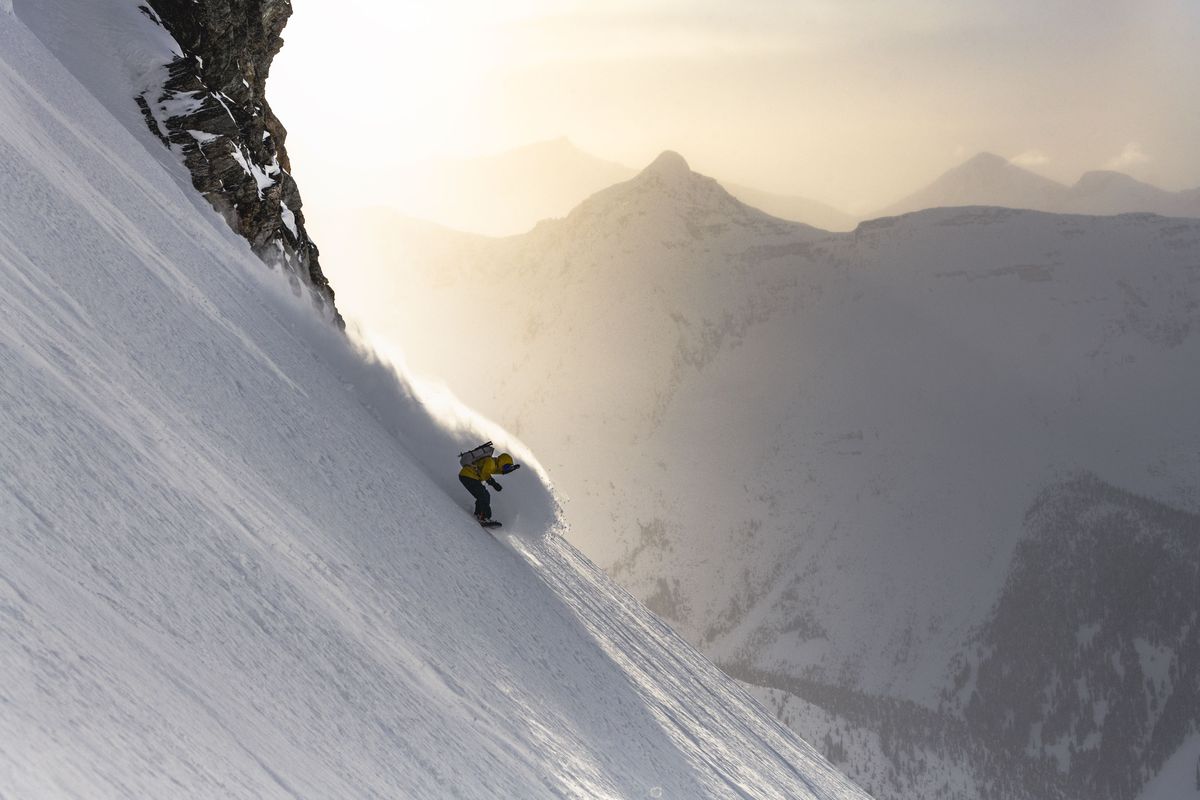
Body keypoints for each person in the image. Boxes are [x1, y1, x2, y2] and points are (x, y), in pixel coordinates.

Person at [459, 451, 520, 523]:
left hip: (468, 476)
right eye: (506, 466)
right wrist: (494, 484)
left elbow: (499, 471)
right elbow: (485, 473)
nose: (505, 468)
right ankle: (484, 518)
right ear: (501, 462)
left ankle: (478, 514)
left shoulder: (494, 464)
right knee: (484, 495)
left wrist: (512, 468)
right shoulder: (490, 462)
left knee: (484, 495)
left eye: (507, 467)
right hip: (468, 476)